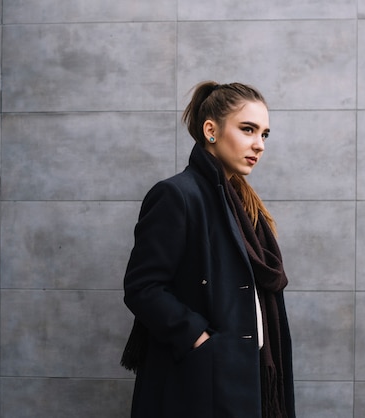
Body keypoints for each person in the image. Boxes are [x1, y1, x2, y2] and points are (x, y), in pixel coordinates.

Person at [120, 81, 295, 418]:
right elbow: (142, 287)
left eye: (265, 134)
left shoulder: (243, 205)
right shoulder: (177, 195)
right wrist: (201, 339)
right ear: (211, 130)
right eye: (248, 130)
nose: (259, 145)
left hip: (249, 373)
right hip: (201, 379)